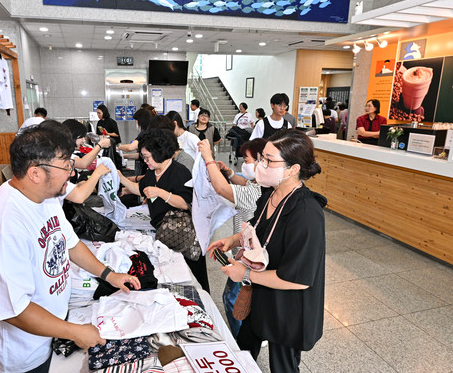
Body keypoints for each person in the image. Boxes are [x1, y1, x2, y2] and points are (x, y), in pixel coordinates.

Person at [0, 126, 140, 373]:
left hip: (47, 333)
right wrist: (75, 332)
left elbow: (70, 244)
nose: (71, 172)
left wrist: (109, 275)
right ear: (35, 173)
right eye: (65, 165)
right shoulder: (2, 225)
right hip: (18, 352)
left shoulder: (46, 198)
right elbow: (14, 310)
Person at [208, 129, 326, 373]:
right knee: (244, 349)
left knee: (282, 365)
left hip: (288, 306)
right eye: (261, 158)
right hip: (262, 295)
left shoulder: (306, 213)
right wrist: (233, 240)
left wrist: (246, 275)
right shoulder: (269, 194)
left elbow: (299, 279)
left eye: (269, 161)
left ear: (293, 169)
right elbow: (260, 232)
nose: (261, 165)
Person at [119, 128, 209, 292]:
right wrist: (121, 179)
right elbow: (141, 189)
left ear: (160, 153)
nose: (145, 161)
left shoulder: (179, 172)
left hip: (184, 236)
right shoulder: (153, 171)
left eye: (147, 157)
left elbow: (186, 203)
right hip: (165, 233)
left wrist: (161, 193)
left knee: (192, 278)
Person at [198, 138, 267, 336]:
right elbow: (245, 183)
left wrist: (208, 159)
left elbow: (223, 189)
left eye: (246, 159)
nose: (244, 163)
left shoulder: (255, 193)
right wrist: (229, 173)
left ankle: (242, 339)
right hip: (244, 251)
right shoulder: (260, 185)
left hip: (248, 259)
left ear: (261, 160)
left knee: (232, 299)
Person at [39, 119, 111, 204]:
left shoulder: (57, 158)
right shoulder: (52, 163)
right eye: (81, 137)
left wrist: (76, 186)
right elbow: (83, 163)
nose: (84, 141)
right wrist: (97, 173)